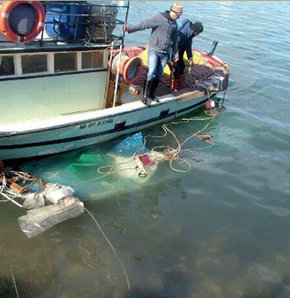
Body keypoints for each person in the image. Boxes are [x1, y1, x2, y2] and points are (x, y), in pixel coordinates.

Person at [123, 3, 183, 105]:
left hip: (165, 53)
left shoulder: (174, 24)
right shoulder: (159, 18)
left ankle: (151, 94)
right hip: (154, 50)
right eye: (178, 15)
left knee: (159, 74)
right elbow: (144, 24)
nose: (179, 17)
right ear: (173, 12)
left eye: (180, 16)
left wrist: (175, 53)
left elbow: (174, 40)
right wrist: (130, 29)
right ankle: (145, 96)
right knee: (151, 72)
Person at [171, 19, 204, 91]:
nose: (198, 35)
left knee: (182, 66)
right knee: (175, 69)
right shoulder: (182, 33)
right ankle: (173, 88)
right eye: (198, 33)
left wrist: (190, 58)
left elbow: (188, 47)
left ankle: (181, 84)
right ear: (195, 31)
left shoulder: (190, 35)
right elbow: (173, 44)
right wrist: (174, 57)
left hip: (180, 52)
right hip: (173, 51)